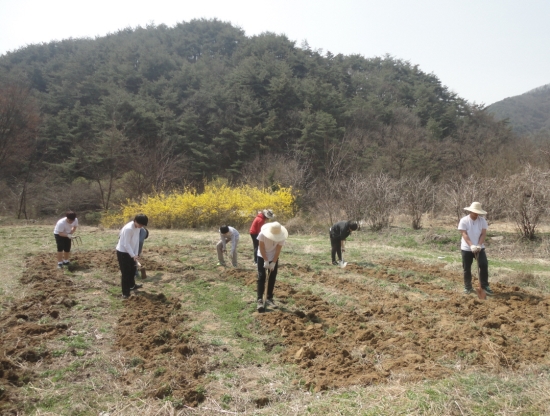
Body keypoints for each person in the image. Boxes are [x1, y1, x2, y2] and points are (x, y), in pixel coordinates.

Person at [458, 202, 491, 295]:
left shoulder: (482, 221)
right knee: (466, 268)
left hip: (479, 248)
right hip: (466, 248)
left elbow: (483, 233)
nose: (476, 214)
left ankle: (484, 285)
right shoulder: (464, 220)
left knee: (483, 265)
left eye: (478, 212)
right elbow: (464, 234)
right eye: (474, 212)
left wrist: (479, 245)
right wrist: (471, 245)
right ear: (470, 211)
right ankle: (467, 286)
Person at [256, 221, 288, 312]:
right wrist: (265, 260)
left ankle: (269, 298)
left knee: (272, 277)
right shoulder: (262, 234)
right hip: (261, 256)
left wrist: (273, 262)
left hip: (273, 257)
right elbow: (261, 248)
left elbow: (278, 250)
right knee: (261, 276)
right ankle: (259, 300)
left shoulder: (281, 237)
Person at [116, 214, 148, 299]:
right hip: (123, 252)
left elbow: (137, 241)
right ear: (136, 221)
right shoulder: (128, 229)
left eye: (143, 225)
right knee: (126, 273)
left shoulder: (138, 228)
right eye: (141, 224)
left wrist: (136, 254)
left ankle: (132, 286)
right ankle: (125, 293)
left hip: (132, 251)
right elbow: (126, 244)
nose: (141, 226)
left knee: (132, 270)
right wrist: (132, 255)